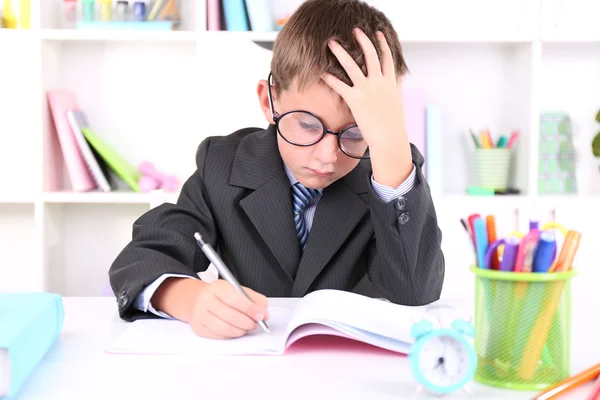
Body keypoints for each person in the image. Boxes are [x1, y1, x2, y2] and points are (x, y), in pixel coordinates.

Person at [109, 0, 444, 340]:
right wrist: (189, 298)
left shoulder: (390, 170)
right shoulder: (223, 163)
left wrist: (389, 143)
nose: (327, 156)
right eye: (308, 125)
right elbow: (142, 257)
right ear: (269, 102)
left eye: (357, 133)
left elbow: (414, 294)